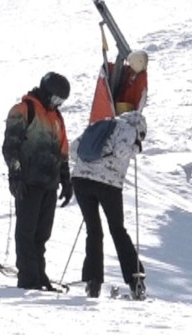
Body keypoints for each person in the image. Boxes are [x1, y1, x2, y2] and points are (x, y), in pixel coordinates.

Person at [3, 72, 72, 291]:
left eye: (60, 101)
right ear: (45, 91)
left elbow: (62, 150)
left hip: (49, 185)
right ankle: (28, 277)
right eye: (54, 99)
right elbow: (10, 147)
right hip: (28, 182)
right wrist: (15, 176)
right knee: (26, 232)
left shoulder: (56, 117)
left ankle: (38, 274)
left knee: (42, 234)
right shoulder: (23, 110)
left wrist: (66, 179)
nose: (56, 104)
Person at [70, 111, 148, 299]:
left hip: (80, 181)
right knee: (118, 230)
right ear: (140, 128)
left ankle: (93, 281)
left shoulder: (101, 123)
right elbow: (122, 152)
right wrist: (136, 148)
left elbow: (74, 149)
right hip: (108, 184)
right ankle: (135, 279)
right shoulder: (130, 129)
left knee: (93, 230)